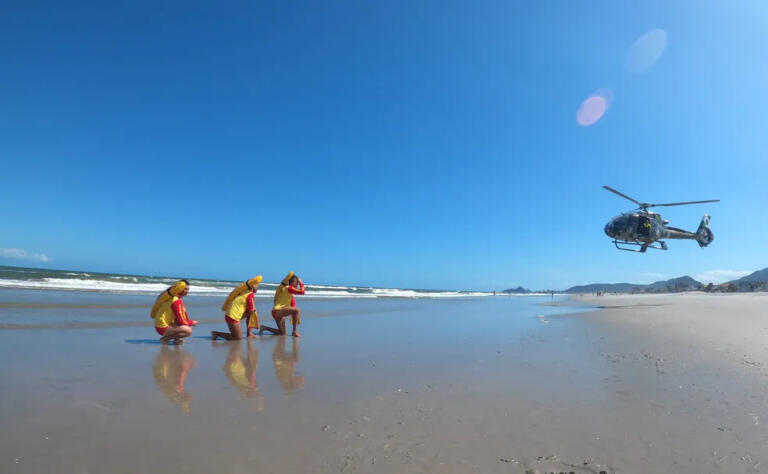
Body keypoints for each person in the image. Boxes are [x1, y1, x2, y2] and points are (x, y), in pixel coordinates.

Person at [211, 276, 263, 341]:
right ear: (252, 287)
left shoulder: (244, 292)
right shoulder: (250, 294)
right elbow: (251, 310)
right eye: (257, 286)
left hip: (230, 314)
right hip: (232, 316)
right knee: (237, 338)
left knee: (252, 312)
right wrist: (245, 315)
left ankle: (249, 334)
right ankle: (216, 333)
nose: (258, 287)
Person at [150, 279, 198, 344]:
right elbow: (181, 321)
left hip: (161, 325)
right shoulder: (176, 301)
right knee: (188, 330)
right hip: (162, 328)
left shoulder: (172, 298)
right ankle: (165, 339)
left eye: (188, 289)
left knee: (184, 325)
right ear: (179, 289)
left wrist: (188, 323)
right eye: (184, 289)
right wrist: (192, 322)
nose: (186, 291)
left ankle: (177, 340)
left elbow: (178, 319)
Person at [259, 271, 305, 337]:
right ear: (292, 282)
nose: (297, 284)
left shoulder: (289, 293)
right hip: (278, 310)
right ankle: (294, 332)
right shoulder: (288, 288)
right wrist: (301, 283)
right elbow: (302, 292)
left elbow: (294, 305)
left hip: (277, 312)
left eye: (298, 283)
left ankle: (264, 327)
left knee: (283, 333)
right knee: (297, 310)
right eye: (296, 283)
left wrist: (296, 315)